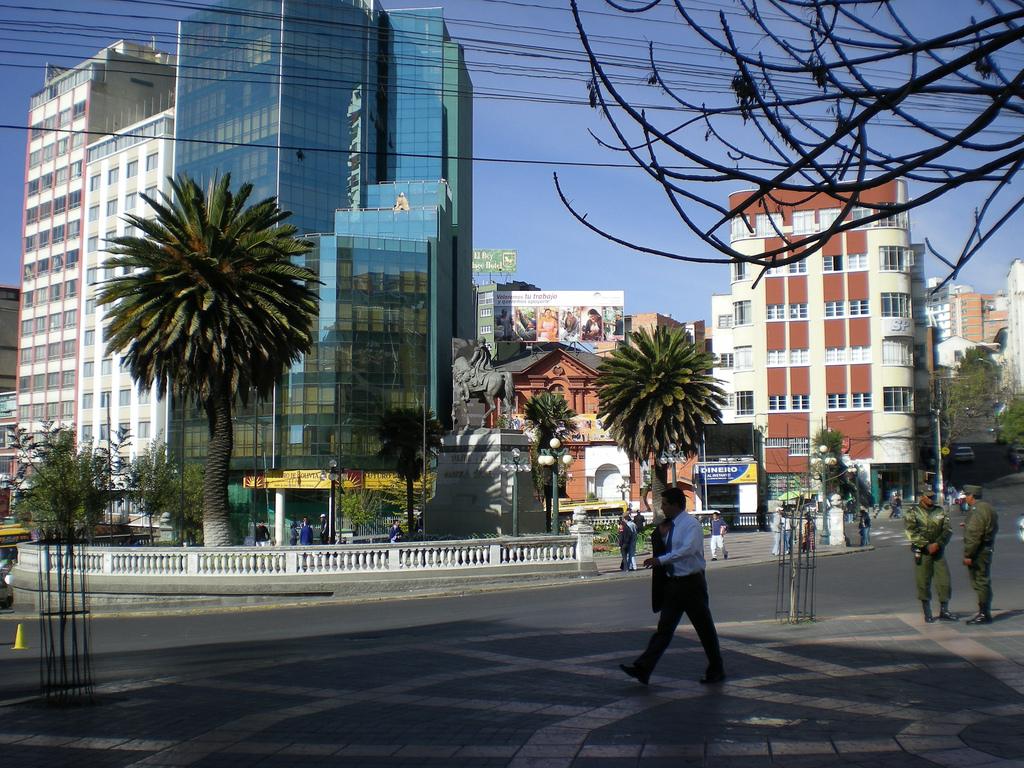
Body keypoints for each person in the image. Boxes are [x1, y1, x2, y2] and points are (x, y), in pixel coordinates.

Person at [619, 487, 725, 685]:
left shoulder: (691, 525)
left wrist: (660, 560)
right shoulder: (667, 526)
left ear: (675, 505)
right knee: (664, 629)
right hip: (672, 584)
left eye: (665, 504)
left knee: (704, 628)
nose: (662, 508)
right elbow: (664, 545)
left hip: (691, 583)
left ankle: (716, 668)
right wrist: (662, 535)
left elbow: (687, 550)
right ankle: (643, 668)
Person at [904, 487, 958, 623]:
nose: (931, 499)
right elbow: (911, 533)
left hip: (938, 551)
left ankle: (944, 610)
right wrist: (927, 545)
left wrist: (937, 544)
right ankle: (927, 611)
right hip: (923, 552)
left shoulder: (939, 511)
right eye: (928, 496)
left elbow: (947, 529)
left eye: (932, 496)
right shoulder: (913, 513)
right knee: (923, 582)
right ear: (921, 497)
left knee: (944, 581)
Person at [961, 485, 998, 625]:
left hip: (979, 551)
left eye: (966, 495)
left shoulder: (976, 511)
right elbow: (992, 527)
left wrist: (968, 555)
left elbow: (975, 535)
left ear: (971, 496)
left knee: (980, 581)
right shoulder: (988, 508)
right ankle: (985, 612)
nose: (965, 498)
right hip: (986, 548)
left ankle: (984, 614)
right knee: (984, 580)